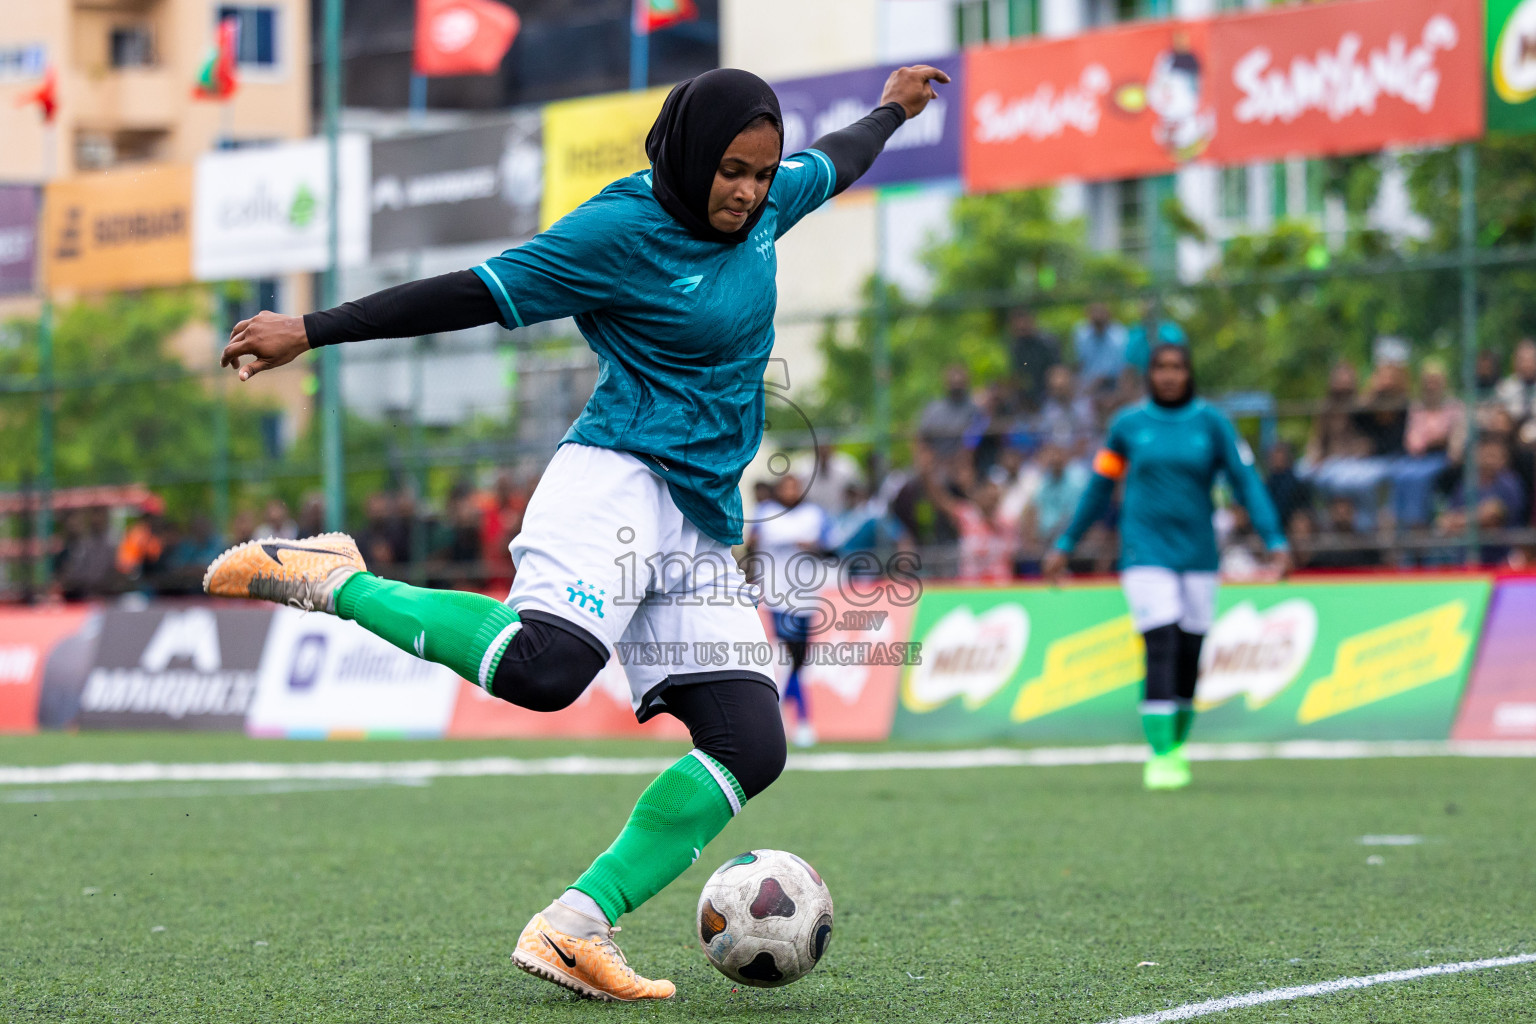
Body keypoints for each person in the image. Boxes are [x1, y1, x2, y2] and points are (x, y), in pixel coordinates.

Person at [202, 65, 948, 1002]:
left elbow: (836, 160)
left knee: (751, 742)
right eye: (732, 171)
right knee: (546, 671)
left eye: (761, 173)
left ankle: (571, 928)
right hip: (617, 476)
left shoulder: (765, 209)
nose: (750, 191)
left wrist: (893, 110)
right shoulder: (617, 231)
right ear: (685, 153)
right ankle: (334, 579)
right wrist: (310, 328)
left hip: (699, 518)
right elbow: (468, 292)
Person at [1043, 344, 1289, 791]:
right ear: (1149, 375)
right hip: (1143, 551)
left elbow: (1245, 481)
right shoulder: (1127, 427)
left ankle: (1176, 743)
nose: (1170, 376)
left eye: (1177, 368)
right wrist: (1066, 543)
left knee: (1190, 651)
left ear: (1189, 373)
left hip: (1197, 553)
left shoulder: (1212, 424)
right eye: (1161, 368)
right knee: (1161, 640)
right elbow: (1099, 488)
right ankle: (1160, 755)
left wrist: (1274, 537)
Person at [746, 472, 832, 749]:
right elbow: (752, 546)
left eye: (795, 486)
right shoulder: (766, 513)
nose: (790, 491)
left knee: (799, 661)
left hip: (806, 597)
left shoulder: (814, 515)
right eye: (786, 486)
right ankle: (803, 720)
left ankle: (781, 709)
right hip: (777, 596)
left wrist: (812, 547)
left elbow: (831, 549)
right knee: (788, 656)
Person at [1072, 301, 1128, 393]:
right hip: (1087, 383)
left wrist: (1100, 380)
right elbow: (1078, 362)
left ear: (1108, 315)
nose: (1097, 316)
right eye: (1094, 313)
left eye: (1101, 313)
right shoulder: (1081, 334)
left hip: (1113, 382)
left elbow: (1121, 365)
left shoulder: (1119, 334)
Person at [1496, 339, 1536, 425]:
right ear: (1515, 362)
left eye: (1531, 360)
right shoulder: (1505, 388)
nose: (1527, 365)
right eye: (1523, 360)